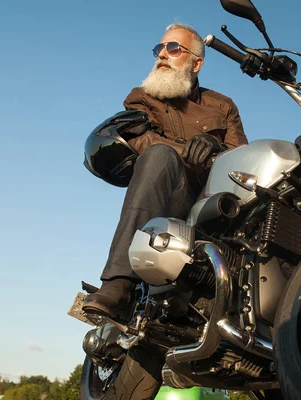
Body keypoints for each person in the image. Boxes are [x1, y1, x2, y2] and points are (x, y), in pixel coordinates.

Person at [82, 23, 248, 321]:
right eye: (160, 48)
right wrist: (186, 150)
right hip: (171, 198)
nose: (162, 55)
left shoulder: (223, 106)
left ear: (197, 62)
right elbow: (138, 138)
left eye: (173, 48)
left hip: (214, 209)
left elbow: (240, 160)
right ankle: (119, 284)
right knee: (159, 155)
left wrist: (213, 145)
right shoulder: (143, 97)